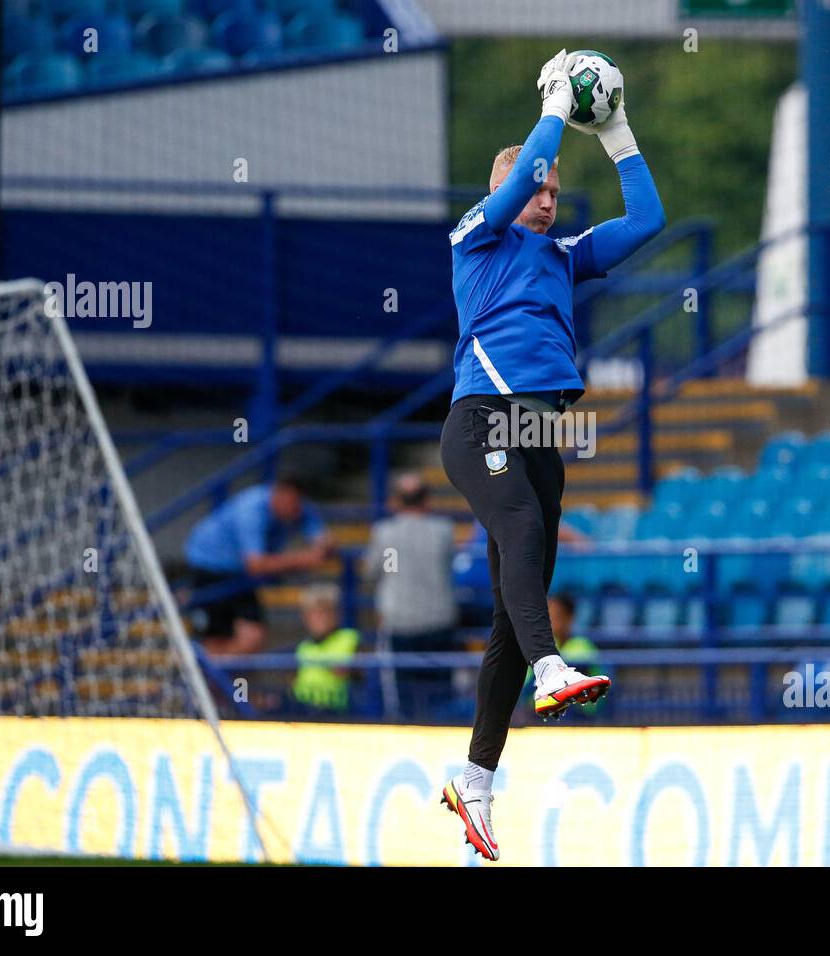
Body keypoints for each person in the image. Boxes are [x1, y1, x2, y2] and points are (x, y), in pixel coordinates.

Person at [438, 49, 665, 861]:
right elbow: (520, 171)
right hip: (479, 421)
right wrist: (554, 108)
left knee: (513, 604)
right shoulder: (476, 237)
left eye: (554, 192)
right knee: (526, 537)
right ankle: (552, 671)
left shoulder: (565, 256)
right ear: (507, 189)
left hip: (543, 432)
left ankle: (474, 780)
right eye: (536, 187)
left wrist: (619, 131)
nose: (546, 197)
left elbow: (648, 221)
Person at [184, 471, 332, 656]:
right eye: (290, 503)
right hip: (210, 569)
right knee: (215, 639)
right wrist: (303, 559)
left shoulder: (300, 508)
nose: (294, 510)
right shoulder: (251, 510)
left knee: (253, 638)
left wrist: (323, 546)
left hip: (240, 576)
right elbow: (256, 564)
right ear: (279, 494)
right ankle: (213, 675)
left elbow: (323, 541)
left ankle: (220, 674)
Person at [362, 473, 459, 718]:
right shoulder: (444, 530)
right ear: (426, 500)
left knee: (401, 703)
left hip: (399, 623)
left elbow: (371, 572)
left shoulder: (385, 533)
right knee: (441, 695)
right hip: (439, 621)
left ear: (395, 501)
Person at [291, 584, 360, 715]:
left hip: (336, 711)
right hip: (301, 709)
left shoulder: (349, 638)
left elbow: (356, 673)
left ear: (335, 614)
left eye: (323, 612)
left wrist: (345, 669)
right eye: (312, 614)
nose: (318, 619)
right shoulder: (303, 646)